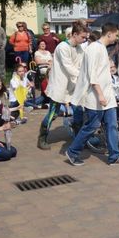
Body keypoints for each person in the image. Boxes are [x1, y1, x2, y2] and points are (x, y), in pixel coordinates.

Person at [67, 23, 119, 166]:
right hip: (96, 96)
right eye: (116, 35)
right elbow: (92, 75)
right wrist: (100, 95)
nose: (117, 38)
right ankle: (72, 151)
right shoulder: (94, 49)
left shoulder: (101, 49)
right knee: (91, 126)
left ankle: (114, 156)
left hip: (107, 96)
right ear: (109, 34)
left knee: (112, 125)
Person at [37, 20, 87, 150]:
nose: (84, 40)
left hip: (73, 85)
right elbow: (68, 67)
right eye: (82, 37)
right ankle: (42, 136)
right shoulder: (62, 47)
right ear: (74, 34)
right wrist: (83, 77)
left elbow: (81, 65)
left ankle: (78, 138)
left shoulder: (80, 48)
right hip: (59, 86)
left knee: (78, 112)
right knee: (53, 113)